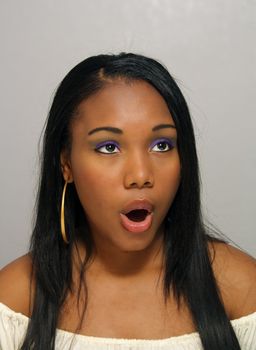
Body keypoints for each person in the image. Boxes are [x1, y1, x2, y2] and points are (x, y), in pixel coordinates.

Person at [0, 53, 255, 350]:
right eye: (109, 147)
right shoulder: (16, 298)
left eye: (162, 145)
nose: (141, 174)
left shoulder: (241, 288)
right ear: (66, 163)